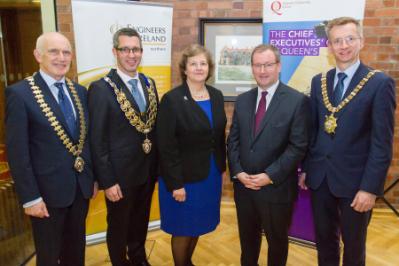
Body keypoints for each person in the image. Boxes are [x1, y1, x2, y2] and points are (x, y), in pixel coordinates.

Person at [299, 17, 396, 266]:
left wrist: (370, 188)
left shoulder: (379, 83)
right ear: (329, 47)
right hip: (320, 179)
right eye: (337, 41)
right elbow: (313, 132)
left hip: (356, 184)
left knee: (353, 247)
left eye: (350, 39)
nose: (344, 46)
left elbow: (381, 143)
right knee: (324, 242)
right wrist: (307, 169)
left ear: (361, 41)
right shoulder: (318, 82)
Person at [5, 32, 96, 266]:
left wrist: (92, 179)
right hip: (45, 196)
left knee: (75, 253)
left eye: (66, 52)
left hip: (79, 189)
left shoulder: (80, 92)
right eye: (53, 52)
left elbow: (84, 140)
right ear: (38, 55)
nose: (61, 58)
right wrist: (30, 198)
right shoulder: (20, 94)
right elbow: (18, 153)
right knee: (48, 255)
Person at [227, 44, 309, 266]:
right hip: (244, 188)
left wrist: (269, 175)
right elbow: (233, 140)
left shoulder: (297, 101)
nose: (262, 71)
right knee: (248, 244)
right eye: (257, 65)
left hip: (276, 189)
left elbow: (297, 146)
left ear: (279, 66)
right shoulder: (243, 100)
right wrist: (238, 172)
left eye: (268, 65)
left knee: (277, 244)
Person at [88, 28, 158, 266]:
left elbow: (151, 128)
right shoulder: (101, 88)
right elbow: (97, 139)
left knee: (140, 222)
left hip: (146, 171)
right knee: (118, 226)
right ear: (115, 52)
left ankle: (138, 259)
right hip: (119, 176)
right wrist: (107, 180)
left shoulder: (149, 83)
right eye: (125, 49)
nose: (131, 54)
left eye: (136, 49)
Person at [157, 44, 226, 266]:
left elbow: (218, 136)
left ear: (209, 68)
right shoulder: (172, 100)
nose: (199, 68)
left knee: (198, 224)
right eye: (193, 64)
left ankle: (188, 262)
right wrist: (175, 183)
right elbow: (166, 146)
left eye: (203, 63)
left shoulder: (216, 96)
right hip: (183, 179)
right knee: (183, 227)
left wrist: (221, 168)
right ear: (184, 69)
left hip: (210, 175)